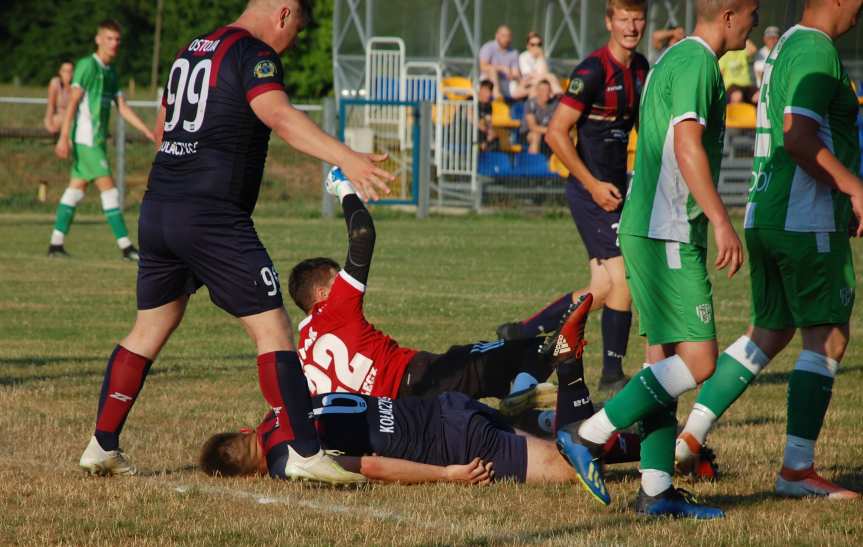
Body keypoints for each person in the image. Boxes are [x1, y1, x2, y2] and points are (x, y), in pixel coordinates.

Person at [77, 0, 393, 485]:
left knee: (149, 328)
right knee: (274, 331)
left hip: (160, 206)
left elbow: (165, 130)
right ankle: (307, 451)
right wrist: (346, 157)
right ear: (284, 13)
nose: (292, 43)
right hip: (211, 216)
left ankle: (102, 444)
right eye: (297, 31)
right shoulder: (254, 55)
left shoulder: (191, 50)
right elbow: (280, 118)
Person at [560, 0, 757, 519]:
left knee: (662, 362)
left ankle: (656, 490)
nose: (755, 24)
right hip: (668, 229)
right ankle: (590, 434)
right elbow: (688, 143)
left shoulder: (670, 58)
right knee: (699, 361)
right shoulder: (694, 62)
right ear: (731, 14)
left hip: (651, 226)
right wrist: (718, 218)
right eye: (754, 13)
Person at [676, 0, 863, 501]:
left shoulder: (788, 44)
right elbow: (798, 138)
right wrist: (853, 188)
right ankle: (797, 470)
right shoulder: (816, 49)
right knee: (827, 338)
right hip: (804, 218)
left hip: (766, 213)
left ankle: (690, 435)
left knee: (769, 332)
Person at [200, 295, 645, 485]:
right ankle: (665, 448)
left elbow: (369, 466)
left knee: (571, 470)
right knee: (555, 444)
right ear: (244, 428)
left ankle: (567, 368)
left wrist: (447, 475)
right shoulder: (279, 412)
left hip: (453, 443)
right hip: (444, 409)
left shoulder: (289, 459)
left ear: (253, 473)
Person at [289, 169, 585, 418]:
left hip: (392, 423)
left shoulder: (303, 353)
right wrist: (343, 186)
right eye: (336, 276)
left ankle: (528, 414)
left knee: (484, 424)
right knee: (536, 349)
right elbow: (362, 235)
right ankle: (522, 395)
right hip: (417, 378)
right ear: (321, 292)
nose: (342, 279)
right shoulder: (333, 309)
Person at [496, 0, 649, 397]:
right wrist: (593, 185)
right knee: (625, 280)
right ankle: (612, 374)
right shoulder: (592, 70)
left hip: (615, 191)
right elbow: (556, 133)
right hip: (590, 192)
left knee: (601, 287)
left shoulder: (640, 68)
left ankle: (522, 334)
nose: (632, 26)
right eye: (624, 19)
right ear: (609, 22)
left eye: (638, 18)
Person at [48, 20, 156, 260]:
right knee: (109, 191)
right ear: (98, 39)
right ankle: (127, 247)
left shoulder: (111, 73)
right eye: (109, 38)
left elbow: (123, 108)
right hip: (85, 140)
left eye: (117, 39)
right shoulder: (87, 66)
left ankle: (55, 244)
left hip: (95, 142)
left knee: (75, 190)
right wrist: (64, 137)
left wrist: (147, 130)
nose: (114, 43)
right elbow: (73, 103)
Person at [479, 25, 527, 101]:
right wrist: (501, 68)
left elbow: (516, 73)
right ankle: (497, 97)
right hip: (488, 80)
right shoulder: (488, 47)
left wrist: (512, 75)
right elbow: (483, 67)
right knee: (492, 70)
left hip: (506, 82)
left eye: (508, 36)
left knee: (528, 85)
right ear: (497, 35)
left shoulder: (514, 52)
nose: (506, 39)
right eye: (503, 36)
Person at [518, 32, 563, 97]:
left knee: (550, 78)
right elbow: (528, 75)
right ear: (528, 46)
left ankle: (558, 97)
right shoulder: (524, 56)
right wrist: (544, 76)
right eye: (533, 44)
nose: (536, 47)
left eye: (539, 44)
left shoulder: (542, 57)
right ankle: (559, 95)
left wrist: (541, 57)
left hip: (542, 81)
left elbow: (545, 73)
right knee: (551, 77)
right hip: (528, 82)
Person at [523, 80, 559, 154]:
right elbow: (533, 127)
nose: (545, 93)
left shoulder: (555, 104)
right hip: (528, 133)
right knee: (536, 136)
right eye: (542, 90)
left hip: (548, 132)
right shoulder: (530, 104)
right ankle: (533, 163)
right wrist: (552, 131)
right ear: (537, 91)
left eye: (548, 90)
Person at [718, 38, 758, 103]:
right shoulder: (725, 54)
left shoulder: (743, 51)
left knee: (758, 96)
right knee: (737, 95)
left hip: (746, 85)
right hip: (731, 86)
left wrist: (744, 38)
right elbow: (720, 74)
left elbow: (753, 49)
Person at [44, 61, 73, 134]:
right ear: (60, 72)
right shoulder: (55, 83)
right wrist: (48, 122)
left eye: (70, 71)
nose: (68, 74)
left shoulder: (76, 86)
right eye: (65, 71)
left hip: (73, 119)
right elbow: (51, 105)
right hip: (59, 118)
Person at [477, 80, 498, 152]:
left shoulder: (488, 106)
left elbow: (488, 121)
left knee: (494, 137)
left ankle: (488, 161)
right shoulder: (471, 100)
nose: (488, 94)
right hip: (465, 130)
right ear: (480, 89)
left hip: (480, 131)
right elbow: (472, 120)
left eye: (490, 91)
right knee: (481, 135)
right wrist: (486, 130)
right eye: (486, 91)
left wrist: (490, 131)